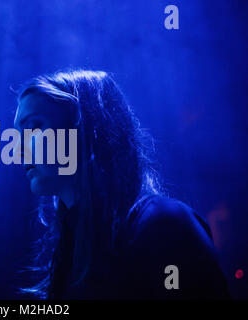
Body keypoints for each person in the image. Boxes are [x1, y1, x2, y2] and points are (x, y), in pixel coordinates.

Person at [13, 69, 230, 299]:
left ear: (86, 129)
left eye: (35, 127)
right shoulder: (70, 251)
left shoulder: (163, 224)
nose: (19, 150)